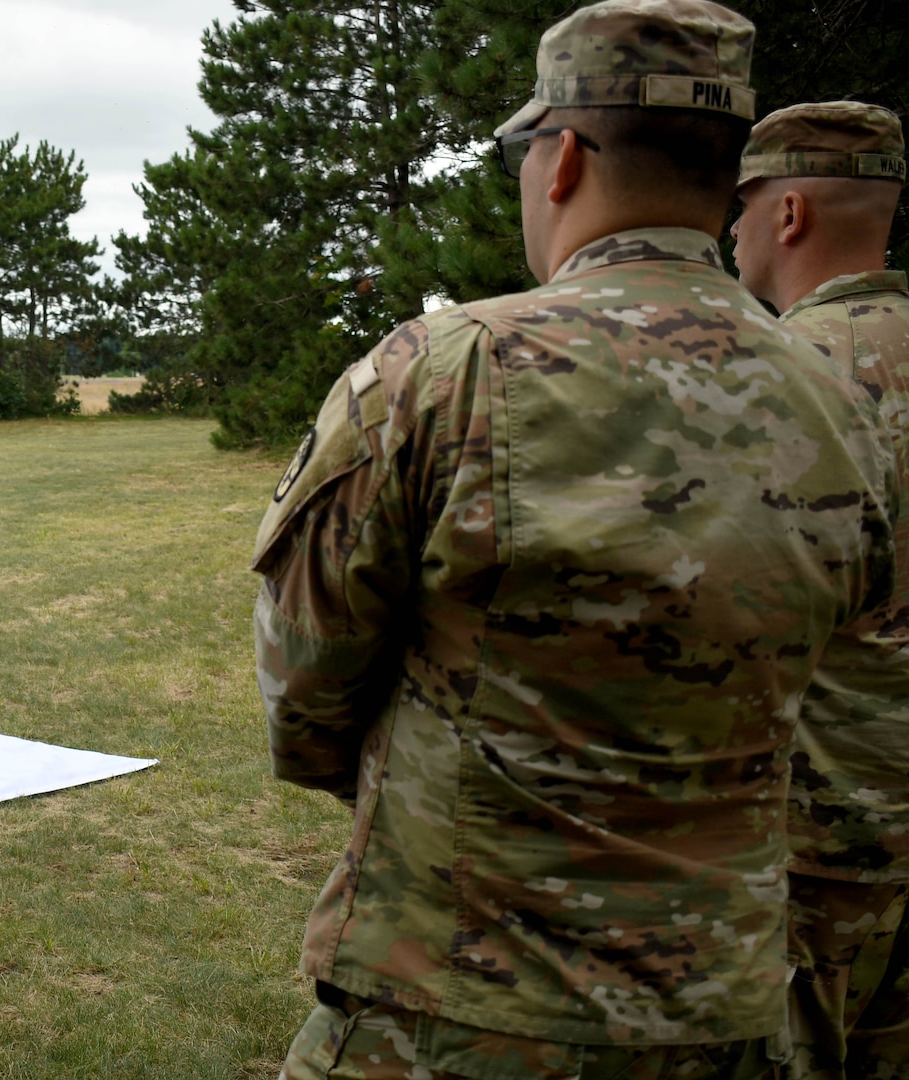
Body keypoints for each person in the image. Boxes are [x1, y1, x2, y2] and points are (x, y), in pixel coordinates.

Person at [251, 2, 900, 1078]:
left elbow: (304, 695)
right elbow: (841, 669)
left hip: (458, 1004)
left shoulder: (446, 371)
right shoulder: (836, 399)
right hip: (729, 1009)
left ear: (559, 161)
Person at [730, 101, 909, 1080]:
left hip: (822, 845)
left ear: (786, 213)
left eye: (741, 205)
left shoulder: (769, 381)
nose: (732, 228)